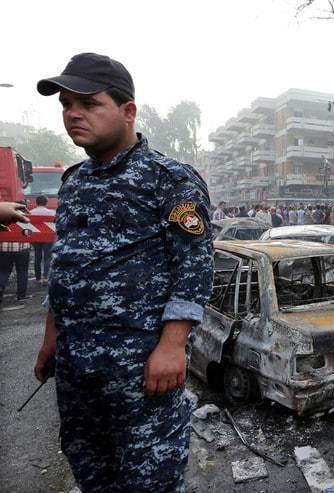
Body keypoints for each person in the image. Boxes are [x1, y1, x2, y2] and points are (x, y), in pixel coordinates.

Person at [33, 53, 213, 491]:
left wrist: (173, 345)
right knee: (92, 471)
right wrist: (51, 335)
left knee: (151, 482)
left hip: (141, 370)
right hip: (77, 370)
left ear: (128, 110)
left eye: (89, 103)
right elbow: (67, 264)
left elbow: (194, 263)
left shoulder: (168, 179)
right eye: (66, 104)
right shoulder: (75, 181)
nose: (73, 114)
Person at [29, 195, 57, 284]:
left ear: (36, 202)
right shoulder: (52, 213)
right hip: (48, 238)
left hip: (36, 238)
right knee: (47, 257)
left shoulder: (30, 212)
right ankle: (45, 277)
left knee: (37, 257)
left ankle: (37, 278)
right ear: (46, 202)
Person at [0, 235, 31, 307]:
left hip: (3, 247)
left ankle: (0, 288)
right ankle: (21, 296)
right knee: (22, 272)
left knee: (3, 271)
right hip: (22, 247)